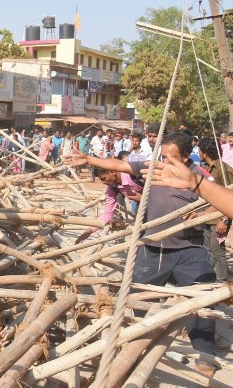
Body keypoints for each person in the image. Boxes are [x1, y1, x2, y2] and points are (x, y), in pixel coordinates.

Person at [66, 132, 218, 377]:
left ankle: (205, 356)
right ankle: (140, 345)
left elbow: (217, 205)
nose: (165, 162)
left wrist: (202, 214)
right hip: (152, 248)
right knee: (138, 298)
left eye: (171, 158)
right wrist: (89, 159)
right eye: (163, 156)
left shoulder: (200, 177)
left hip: (189, 249)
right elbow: (119, 165)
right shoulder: (153, 168)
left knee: (202, 300)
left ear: (185, 156)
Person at [74, 162, 143, 244]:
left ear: (112, 172)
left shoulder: (132, 175)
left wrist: (142, 199)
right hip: (142, 207)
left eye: (103, 178)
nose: (103, 182)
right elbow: (108, 214)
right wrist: (88, 232)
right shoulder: (113, 188)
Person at [197, 137, 233, 282]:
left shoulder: (223, 170)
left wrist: (224, 220)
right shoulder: (206, 168)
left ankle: (221, 281)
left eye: (200, 151)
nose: (198, 153)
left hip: (219, 217)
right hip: (208, 216)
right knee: (208, 249)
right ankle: (211, 277)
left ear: (205, 153)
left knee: (217, 251)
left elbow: (229, 196)